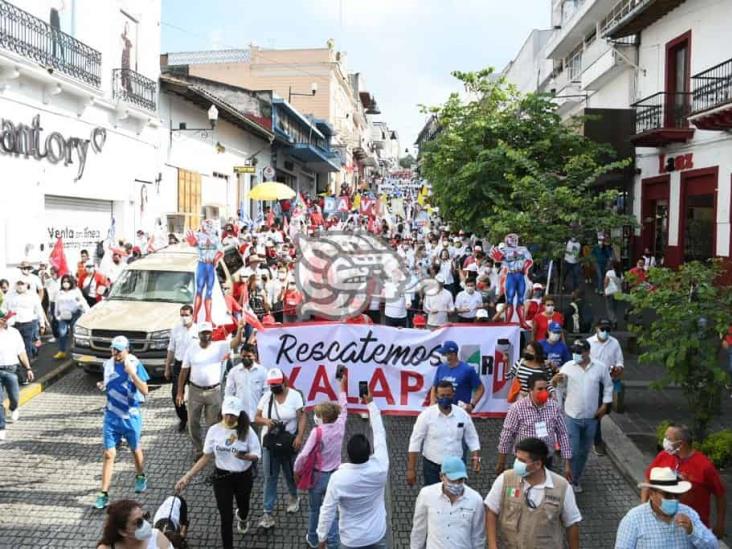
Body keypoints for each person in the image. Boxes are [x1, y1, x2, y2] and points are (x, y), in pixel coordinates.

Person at [176, 396, 260, 549]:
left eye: (233, 415)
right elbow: (206, 456)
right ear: (222, 412)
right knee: (225, 517)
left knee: (244, 506)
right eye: (226, 414)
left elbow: (256, 454)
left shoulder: (247, 431)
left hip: (243, 476)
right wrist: (187, 476)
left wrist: (245, 456)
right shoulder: (214, 431)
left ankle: (242, 517)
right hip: (222, 477)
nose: (229, 417)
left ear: (239, 414)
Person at [317, 388, 389, 549]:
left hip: (351, 539)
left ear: (348, 455)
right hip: (377, 535)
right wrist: (370, 404)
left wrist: (322, 538)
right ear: (369, 452)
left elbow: (327, 510)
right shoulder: (381, 468)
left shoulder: (338, 478)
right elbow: (379, 434)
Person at [485, 437, 581, 549]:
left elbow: (572, 524)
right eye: (517, 458)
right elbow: (491, 512)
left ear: (538, 464)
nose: (517, 463)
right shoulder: (505, 479)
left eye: (522, 461)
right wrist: (492, 546)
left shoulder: (562, 487)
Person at [94, 336, 150, 510]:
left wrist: (132, 374)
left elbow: (145, 390)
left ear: (127, 349)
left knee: (135, 450)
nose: (115, 353)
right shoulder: (108, 364)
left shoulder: (135, 363)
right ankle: (103, 493)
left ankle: (140, 475)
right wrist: (104, 384)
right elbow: (111, 380)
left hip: (130, 416)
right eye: (113, 349)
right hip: (111, 416)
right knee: (109, 454)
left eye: (119, 349)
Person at [642, 424, 726, 537]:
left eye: (669, 438)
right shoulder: (663, 456)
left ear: (681, 444)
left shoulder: (704, 466)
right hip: (664, 523)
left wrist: (720, 524)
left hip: (693, 526)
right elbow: (648, 479)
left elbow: (720, 495)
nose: (665, 441)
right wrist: (643, 507)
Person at [551, 338, 613, 493]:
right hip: (572, 416)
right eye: (575, 352)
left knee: (584, 451)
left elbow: (608, 386)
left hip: (592, 417)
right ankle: (568, 479)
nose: (576, 355)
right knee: (573, 450)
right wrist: (555, 381)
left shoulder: (600, 367)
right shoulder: (568, 367)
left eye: (579, 352)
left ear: (587, 352)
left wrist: (605, 405)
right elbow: (559, 387)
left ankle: (576, 478)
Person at [176, 320, 244, 459]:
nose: (205, 335)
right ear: (198, 334)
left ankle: (211, 449)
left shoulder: (219, 347)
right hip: (195, 391)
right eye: (203, 333)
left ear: (211, 333)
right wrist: (180, 391)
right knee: (193, 423)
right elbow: (184, 372)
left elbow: (236, 342)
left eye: (208, 332)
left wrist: (240, 329)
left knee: (213, 423)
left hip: (214, 391)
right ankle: (199, 450)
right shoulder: (191, 349)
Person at [295, 373, 349, 548]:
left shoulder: (317, 432)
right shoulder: (340, 424)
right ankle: (333, 542)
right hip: (335, 474)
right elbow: (344, 405)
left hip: (318, 477)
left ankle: (314, 537)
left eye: (317, 415)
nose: (315, 417)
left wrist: (296, 471)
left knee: (315, 509)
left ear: (324, 418)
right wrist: (342, 387)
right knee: (332, 511)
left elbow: (303, 455)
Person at [616, 467, 718, 549]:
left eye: (676, 495)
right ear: (652, 494)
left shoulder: (689, 513)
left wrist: (693, 531)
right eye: (667, 495)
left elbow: (713, 546)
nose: (673, 499)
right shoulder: (633, 520)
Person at [255, 367, 306, 529]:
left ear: (284, 381)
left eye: (277, 384)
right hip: (270, 445)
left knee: (290, 474)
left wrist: (299, 437)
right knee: (270, 477)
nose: (274, 388)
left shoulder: (295, 396)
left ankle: (294, 497)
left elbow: (302, 416)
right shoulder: (266, 397)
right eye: (272, 385)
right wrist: (266, 422)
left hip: (289, 443)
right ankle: (267, 512)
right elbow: (256, 417)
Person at [497, 373, 572, 480]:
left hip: (546, 458)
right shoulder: (517, 408)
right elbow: (507, 435)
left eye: (546, 388)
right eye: (540, 389)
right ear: (530, 390)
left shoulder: (554, 407)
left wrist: (567, 463)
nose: (544, 392)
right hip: (524, 460)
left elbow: (563, 433)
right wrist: (501, 461)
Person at [408, 380, 481, 487]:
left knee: (456, 496)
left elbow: (472, 438)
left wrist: (476, 458)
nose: (445, 398)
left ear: (453, 395)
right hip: (432, 468)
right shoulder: (426, 415)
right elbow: (415, 442)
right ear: (436, 396)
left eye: (448, 395)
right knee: (433, 498)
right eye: (442, 396)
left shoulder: (462, 414)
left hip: (456, 467)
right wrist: (411, 469)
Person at [410, 456, 486, 549]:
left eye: (460, 480)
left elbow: (478, 537)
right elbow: (419, 531)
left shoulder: (476, 500)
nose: (457, 484)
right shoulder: (426, 495)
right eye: (452, 480)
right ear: (441, 476)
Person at [588, 319, 624, 456]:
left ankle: (591, 427)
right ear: (597, 328)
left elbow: (619, 361)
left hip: (609, 380)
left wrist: (618, 368)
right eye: (602, 329)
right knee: (598, 410)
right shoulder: (590, 343)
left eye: (607, 329)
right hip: (593, 381)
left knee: (606, 409)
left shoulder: (614, 343)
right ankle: (597, 441)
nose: (605, 332)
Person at [6, 279, 49, 383]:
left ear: (27, 285)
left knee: (25, 349)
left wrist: (42, 324)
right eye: (18, 284)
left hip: (27, 325)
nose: (20, 286)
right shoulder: (10, 295)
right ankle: (18, 374)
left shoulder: (32, 296)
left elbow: (39, 310)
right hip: (13, 325)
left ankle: (26, 373)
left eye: (22, 284)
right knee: (14, 350)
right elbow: (4, 309)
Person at [0, 310, 33, 441]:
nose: (4, 321)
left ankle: (14, 408)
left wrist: (28, 368)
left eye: (5, 319)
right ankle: (1, 427)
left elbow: (21, 352)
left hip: (11, 370)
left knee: (14, 397)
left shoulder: (14, 333)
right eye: (2, 319)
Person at [164, 305, 198, 433]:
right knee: (175, 395)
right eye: (182, 315)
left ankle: (194, 420)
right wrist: (167, 367)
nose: (184, 318)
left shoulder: (198, 330)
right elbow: (171, 349)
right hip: (179, 364)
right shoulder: (176, 329)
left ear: (192, 315)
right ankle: (184, 418)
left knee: (195, 396)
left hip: (194, 366)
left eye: (186, 315)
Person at [429, 340, 485, 413]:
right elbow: (434, 387)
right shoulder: (441, 368)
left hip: (460, 412)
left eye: (445, 354)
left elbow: (480, 388)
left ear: (453, 354)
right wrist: (432, 402)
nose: (443, 356)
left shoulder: (467, 370)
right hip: (442, 410)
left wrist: (472, 405)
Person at [96, 499, 173, 549]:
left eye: (145, 516)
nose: (145, 524)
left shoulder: (157, 537)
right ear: (123, 531)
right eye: (138, 522)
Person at [224, 343, 267, 427]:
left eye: (249, 356)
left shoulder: (263, 371)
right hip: (239, 415)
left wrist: (262, 411)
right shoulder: (234, 371)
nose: (246, 358)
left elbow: (266, 394)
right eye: (244, 356)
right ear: (240, 355)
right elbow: (228, 393)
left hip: (257, 416)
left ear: (254, 355)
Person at [53, 274, 88, 360]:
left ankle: (76, 350)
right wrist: (56, 315)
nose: (65, 283)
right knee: (62, 332)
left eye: (67, 281)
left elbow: (82, 302)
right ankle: (62, 351)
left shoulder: (76, 291)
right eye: (64, 281)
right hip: (63, 315)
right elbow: (57, 304)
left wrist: (86, 311)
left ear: (71, 282)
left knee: (74, 332)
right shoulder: (59, 292)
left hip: (74, 314)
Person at [604, 260, 623, 328]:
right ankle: (613, 319)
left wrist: (605, 290)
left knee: (609, 308)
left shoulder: (609, 272)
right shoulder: (620, 274)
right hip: (618, 292)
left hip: (610, 291)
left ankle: (613, 320)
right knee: (615, 307)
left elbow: (606, 282)